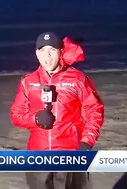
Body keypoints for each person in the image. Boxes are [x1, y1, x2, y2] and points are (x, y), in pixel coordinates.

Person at [9, 32, 104, 189]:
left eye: (52, 50)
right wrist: (36, 119)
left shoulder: (77, 79)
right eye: (42, 50)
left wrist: (87, 141)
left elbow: (94, 110)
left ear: (60, 51)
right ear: (36, 53)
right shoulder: (27, 81)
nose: (47, 56)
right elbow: (16, 115)